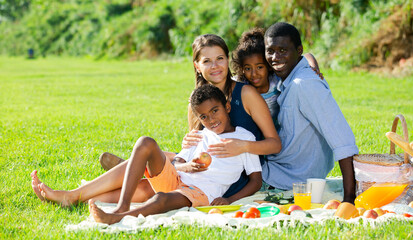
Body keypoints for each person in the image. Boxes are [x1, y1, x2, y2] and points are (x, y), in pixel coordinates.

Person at [33, 84, 262, 225]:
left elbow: (256, 180)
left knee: (154, 196)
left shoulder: (245, 139)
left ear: (227, 107)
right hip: (178, 177)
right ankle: (74, 197)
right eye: (204, 117)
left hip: (201, 193)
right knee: (145, 143)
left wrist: (229, 200)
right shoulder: (201, 134)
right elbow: (179, 161)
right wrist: (185, 166)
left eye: (215, 111)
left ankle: (117, 215)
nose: (211, 120)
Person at [99, 34, 282, 201]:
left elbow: (274, 144)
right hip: (200, 173)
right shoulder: (195, 101)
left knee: (154, 170)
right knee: (155, 173)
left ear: (227, 60)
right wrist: (188, 143)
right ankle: (80, 195)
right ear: (197, 66)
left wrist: (243, 146)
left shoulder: (246, 94)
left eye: (219, 58)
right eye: (207, 61)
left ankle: (136, 168)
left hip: (232, 176)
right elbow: (194, 148)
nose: (215, 66)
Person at [262, 22, 358, 203]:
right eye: (270, 51)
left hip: (283, 179)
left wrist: (349, 198)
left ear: (298, 50)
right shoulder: (288, 77)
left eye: (283, 50)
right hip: (277, 169)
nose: (275, 57)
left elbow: (343, 142)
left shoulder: (305, 84)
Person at [231, 27, 322, 131]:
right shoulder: (241, 84)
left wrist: (313, 68)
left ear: (268, 65)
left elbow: (307, 56)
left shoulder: (276, 80)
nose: (254, 74)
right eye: (247, 68)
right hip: (253, 134)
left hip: (279, 134)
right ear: (241, 68)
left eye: (260, 67)